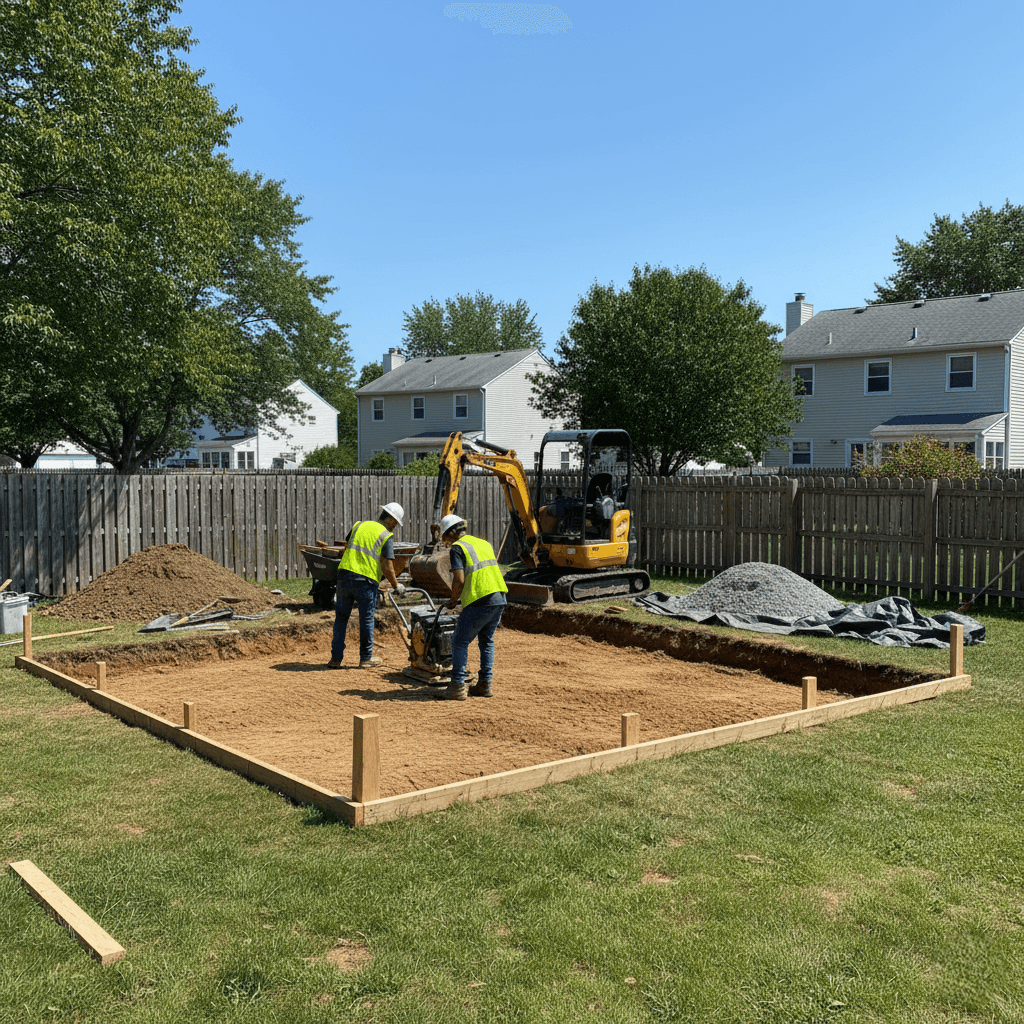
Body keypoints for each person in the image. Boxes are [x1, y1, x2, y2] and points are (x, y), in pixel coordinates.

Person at [327, 502, 405, 669]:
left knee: (341, 618)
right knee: (367, 619)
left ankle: (335, 658)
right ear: (391, 520)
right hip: (365, 581)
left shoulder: (359, 525)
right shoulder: (385, 536)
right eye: (396, 523)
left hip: (344, 576)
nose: (395, 527)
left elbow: (347, 547)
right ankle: (365, 658)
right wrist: (396, 585)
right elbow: (387, 565)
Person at [439, 514, 508, 701]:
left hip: (480, 599)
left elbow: (459, 579)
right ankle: (485, 684)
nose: (445, 540)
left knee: (459, 641)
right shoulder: (484, 543)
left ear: (452, 532)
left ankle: (457, 686)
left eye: (445, 536)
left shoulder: (457, 548)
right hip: (499, 596)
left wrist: (453, 600)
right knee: (486, 641)